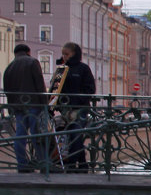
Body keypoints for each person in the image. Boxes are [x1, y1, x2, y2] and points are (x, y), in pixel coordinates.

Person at [2, 43, 48, 172]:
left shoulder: (9, 67)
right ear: (28, 51)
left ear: (15, 53)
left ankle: (22, 164)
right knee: (37, 134)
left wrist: (12, 108)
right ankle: (44, 164)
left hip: (18, 107)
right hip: (34, 104)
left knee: (20, 136)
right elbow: (39, 84)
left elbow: (7, 90)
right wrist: (45, 104)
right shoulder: (33, 62)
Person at [55, 42, 96, 173]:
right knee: (71, 136)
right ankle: (82, 165)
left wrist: (77, 100)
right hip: (66, 110)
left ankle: (73, 165)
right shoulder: (61, 69)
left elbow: (90, 89)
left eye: (67, 54)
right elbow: (56, 89)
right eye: (63, 54)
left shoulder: (83, 69)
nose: (64, 57)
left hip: (80, 109)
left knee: (75, 134)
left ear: (74, 54)